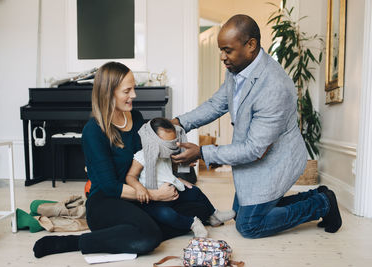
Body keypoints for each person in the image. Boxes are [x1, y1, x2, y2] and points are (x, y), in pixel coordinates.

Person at [170, 14, 342, 238]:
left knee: (249, 225)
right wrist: (178, 122)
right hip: (253, 156)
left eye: (227, 50)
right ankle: (320, 195)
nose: (222, 57)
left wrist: (202, 152)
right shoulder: (236, 68)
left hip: (275, 160)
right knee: (242, 212)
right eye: (221, 50)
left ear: (250, 45)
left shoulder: (274, 86)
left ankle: (322, 204)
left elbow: (254, 149)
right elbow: (216, 104)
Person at [33, 62, 213, 258]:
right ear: (109, 93)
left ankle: (132, 232)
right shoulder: (93, 131)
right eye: (127, 90)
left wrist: (174, 170)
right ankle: (74, 242)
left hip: (138, 192)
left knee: (200, 208)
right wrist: (155, 195)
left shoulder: (135, 117)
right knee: (149, 237)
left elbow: (146, 158)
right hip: (107, 201)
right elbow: (110, 186)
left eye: (134, 88)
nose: (134, 95)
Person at [126, 117, 236, 238]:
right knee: (166, 214)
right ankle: (192, 223)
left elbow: (167, 170)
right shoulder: (141, 157)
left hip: (172, 191)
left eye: (172, 143)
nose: (170, 148)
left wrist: (179, 166)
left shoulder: (167, 155)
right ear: (152, 140)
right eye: (166, 144)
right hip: (154, 200)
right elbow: (131, 176)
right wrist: (139, 188)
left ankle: (213, 215)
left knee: (195, 191)